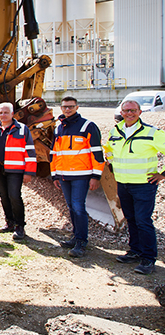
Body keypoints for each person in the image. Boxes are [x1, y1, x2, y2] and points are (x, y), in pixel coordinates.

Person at [104, 99, 165, 275]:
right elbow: (109, 149)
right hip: (123, 184)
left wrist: (163, 174)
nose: (129, 114)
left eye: (133, 110)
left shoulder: (151, 132)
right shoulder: (115, 131)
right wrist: (111, 163)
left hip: (144, 185)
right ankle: (135, 251)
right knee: (131, 218)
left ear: (139, 112)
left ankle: (148, 258)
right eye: (126, 111)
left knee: (143, 221)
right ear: (121, 113)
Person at [50, 96, 105, 257]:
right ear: (61, 108)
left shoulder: (87, 126)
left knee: (78, 207)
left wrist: (96, 176)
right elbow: (54, 154)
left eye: (71, 107)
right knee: (71, 207)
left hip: (81, 175)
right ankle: (75, 237)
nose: (68, 109)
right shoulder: (59, 128)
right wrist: (55, 175)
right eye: (65, 107)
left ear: (77, 107)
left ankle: (81, 241)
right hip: (64, 176)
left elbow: (97, 154)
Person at [0, 102, 37, 241]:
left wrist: (29, 172)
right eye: (0, 113)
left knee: (14, 196)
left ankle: (20, 225)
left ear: (12, 114)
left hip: (16, 169)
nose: (3, 115)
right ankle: (10, 222)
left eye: (6, 112)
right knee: (4, 197)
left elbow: (30, 152)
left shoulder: (22, 129)